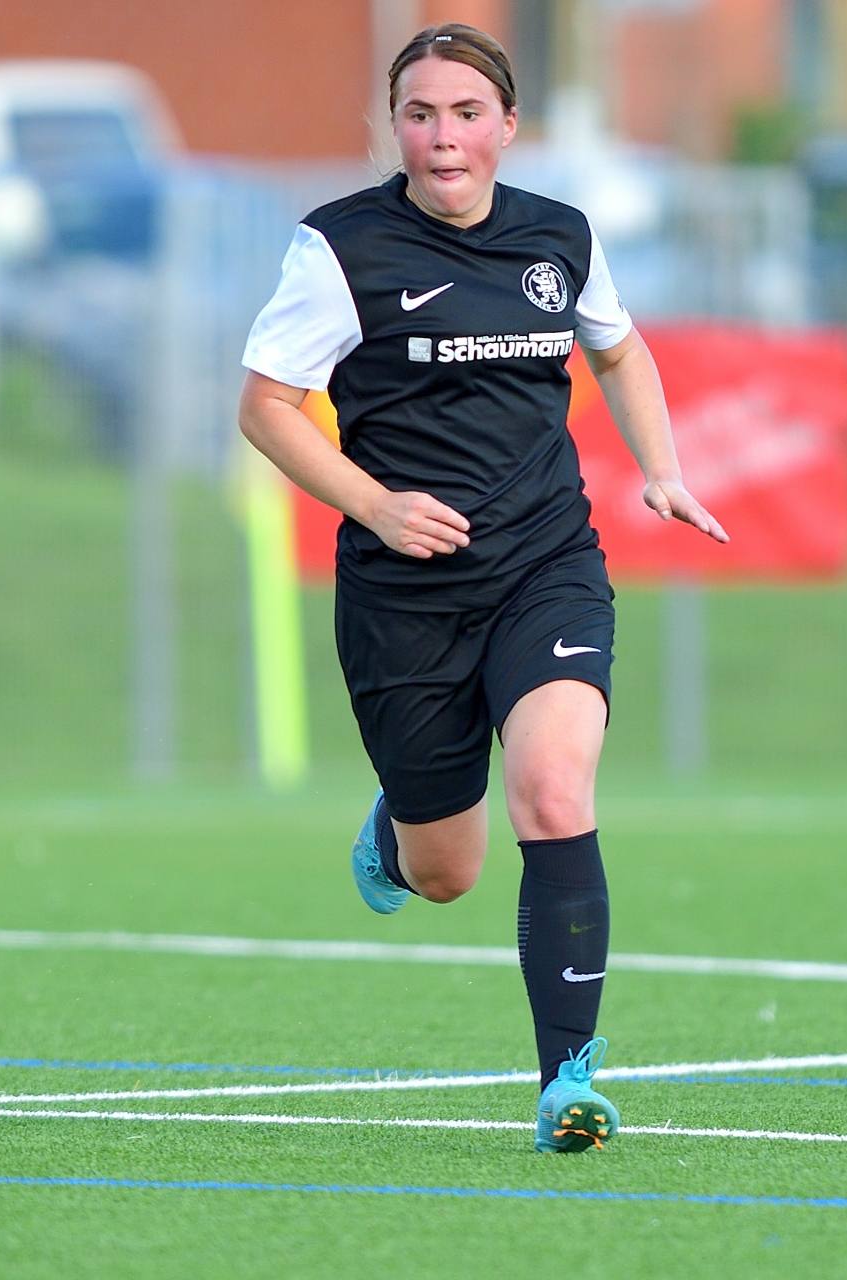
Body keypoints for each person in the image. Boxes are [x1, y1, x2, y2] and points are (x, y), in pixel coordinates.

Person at [239, 25, 726, 1152]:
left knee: (553, 791)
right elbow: (264, 407)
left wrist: (661, 468)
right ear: (394, 127)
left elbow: (618, 349)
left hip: (546, 566)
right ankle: (399, 829)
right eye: (420, 114)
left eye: (467, 113)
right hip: (404, 597)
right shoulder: (341, 248)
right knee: (447, 872)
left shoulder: (561, 237)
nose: (444, 137)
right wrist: (374, 504)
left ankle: (568, 1080)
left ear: (508, 125)